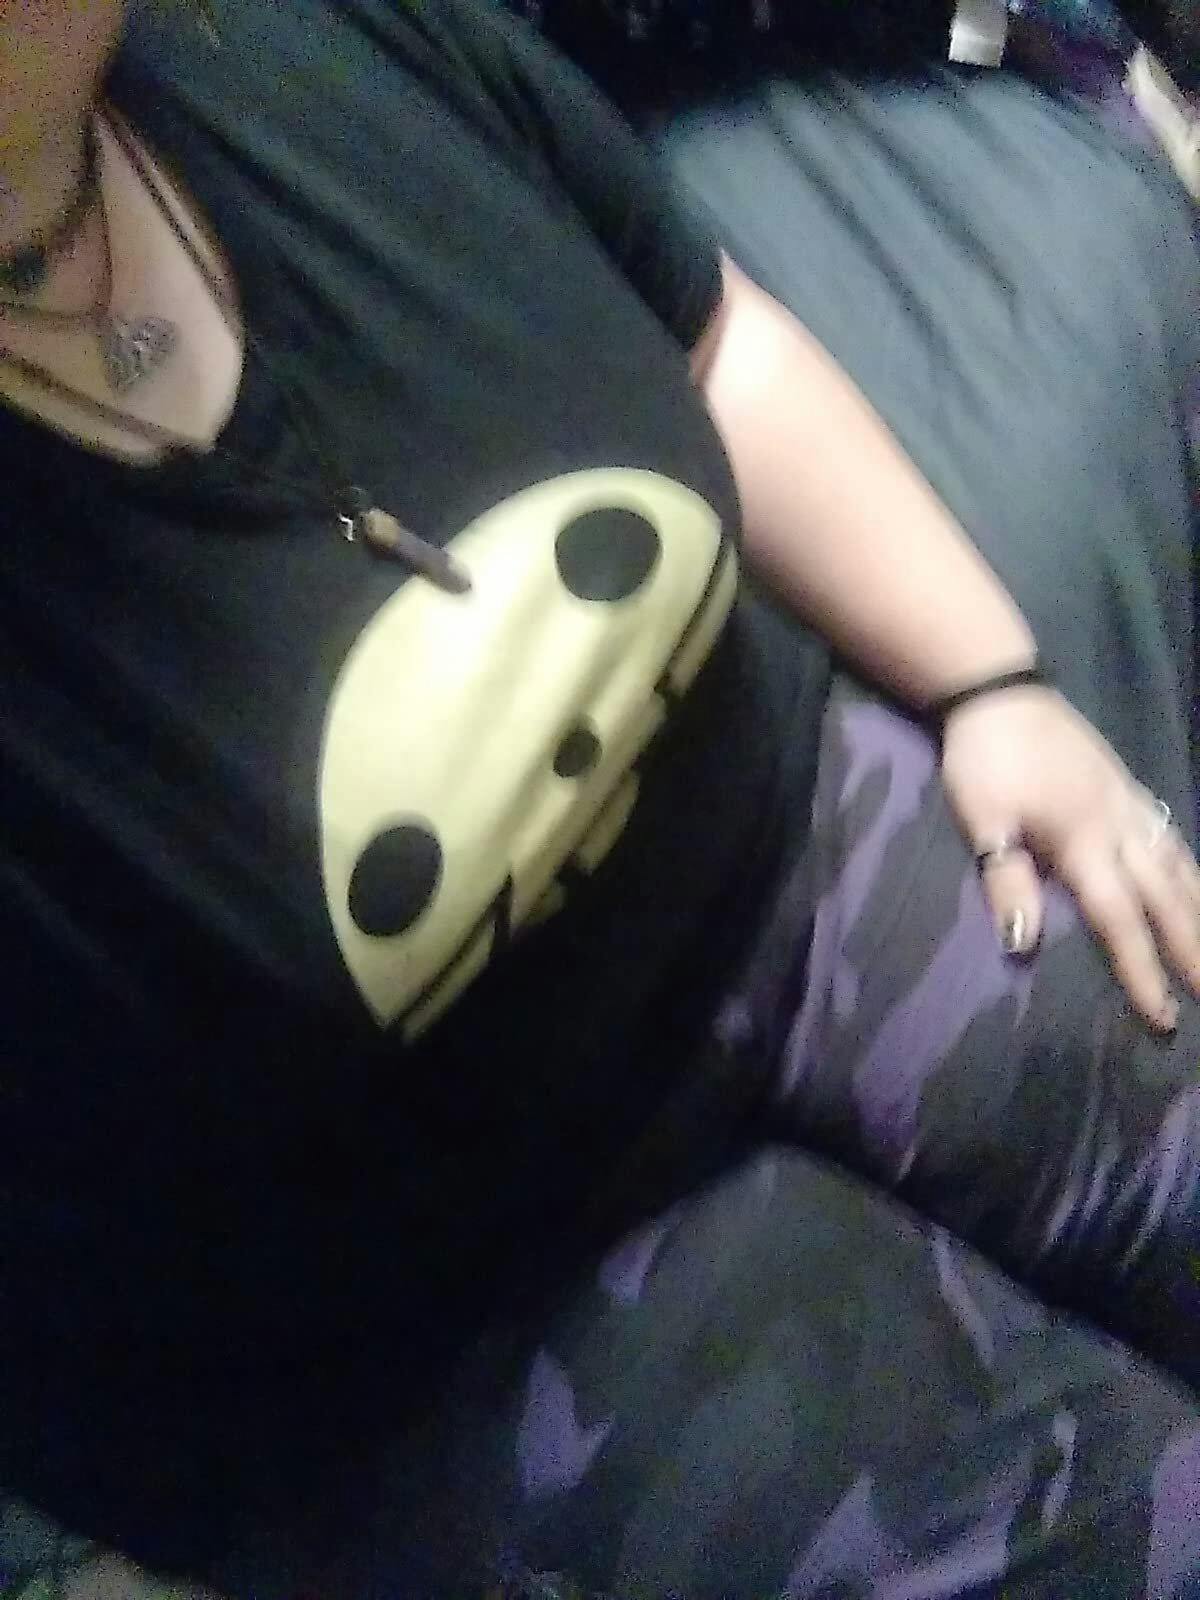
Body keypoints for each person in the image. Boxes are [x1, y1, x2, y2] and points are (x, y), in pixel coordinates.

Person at [1, 0, 1197, 1595]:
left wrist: (993, 681)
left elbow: (708, 335)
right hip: (454, 1301)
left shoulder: (293, 34)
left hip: (789, 828)